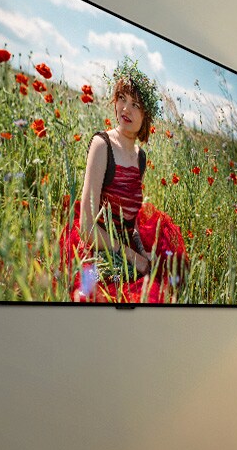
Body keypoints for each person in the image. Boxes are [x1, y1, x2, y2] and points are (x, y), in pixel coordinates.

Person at [60, 58, 185, 302]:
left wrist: (140, 249)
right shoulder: (102, 145)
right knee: (88, 296)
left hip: (126, 250)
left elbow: (131, 219)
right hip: (96, 252)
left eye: (135, 104)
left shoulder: (140, 157)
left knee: (164, 286)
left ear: (146, 115)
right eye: (122, 99)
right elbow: (86, 228)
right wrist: (131, 256)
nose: (126, 109)